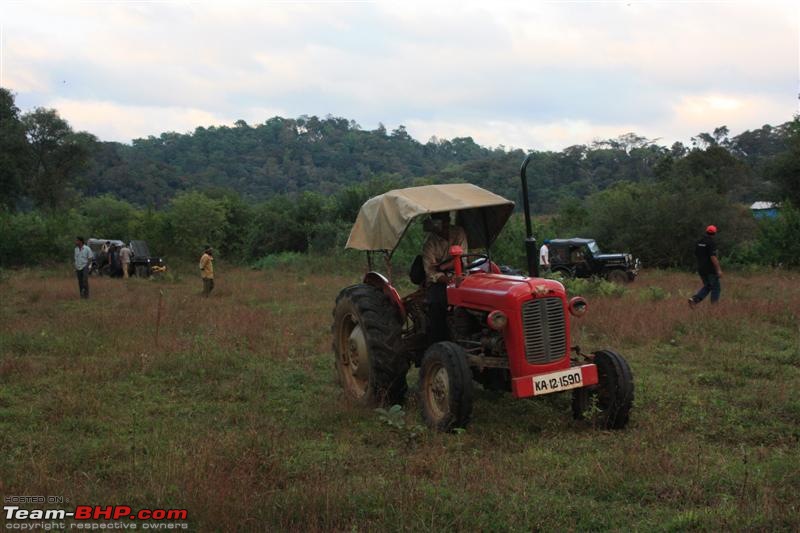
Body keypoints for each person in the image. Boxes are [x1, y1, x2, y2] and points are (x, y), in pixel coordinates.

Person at [422, 212, 468, 343]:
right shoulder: (429, 244)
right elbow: (431, 272)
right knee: (436, 303)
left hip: (462, 274)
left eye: (447, 219)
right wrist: (448, 279)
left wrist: (443, 266)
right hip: (440, 281)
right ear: (434, 224)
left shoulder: (458, 232)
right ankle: (439, 342)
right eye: (441, 221)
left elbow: (462, 258)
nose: (446, 223)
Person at [689, 225, 722, 308]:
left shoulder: (699, 242)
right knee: (716, 288)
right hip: (710, 270)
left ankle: (694, 300)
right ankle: (714, 307)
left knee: (708, 286)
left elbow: (696, 254)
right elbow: (713, 257)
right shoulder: (711, 243)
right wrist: (718, 270)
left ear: (706, 231)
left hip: (701, 268)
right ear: (714, 233)